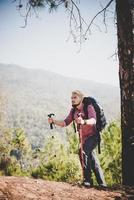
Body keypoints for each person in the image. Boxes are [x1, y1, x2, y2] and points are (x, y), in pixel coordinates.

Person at [48, 90, 106, 188]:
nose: (72, 100)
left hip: (94, 135)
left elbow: (93, 120)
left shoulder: (88, 106)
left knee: (83, 152)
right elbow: (65, 122)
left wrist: (83, 122)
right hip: (84, 138)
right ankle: (102, 183)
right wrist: (53, 121)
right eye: (71, 98)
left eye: (75, 97)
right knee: (91, 158)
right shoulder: (74, 110)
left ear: (81, 98)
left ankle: (87, 180)